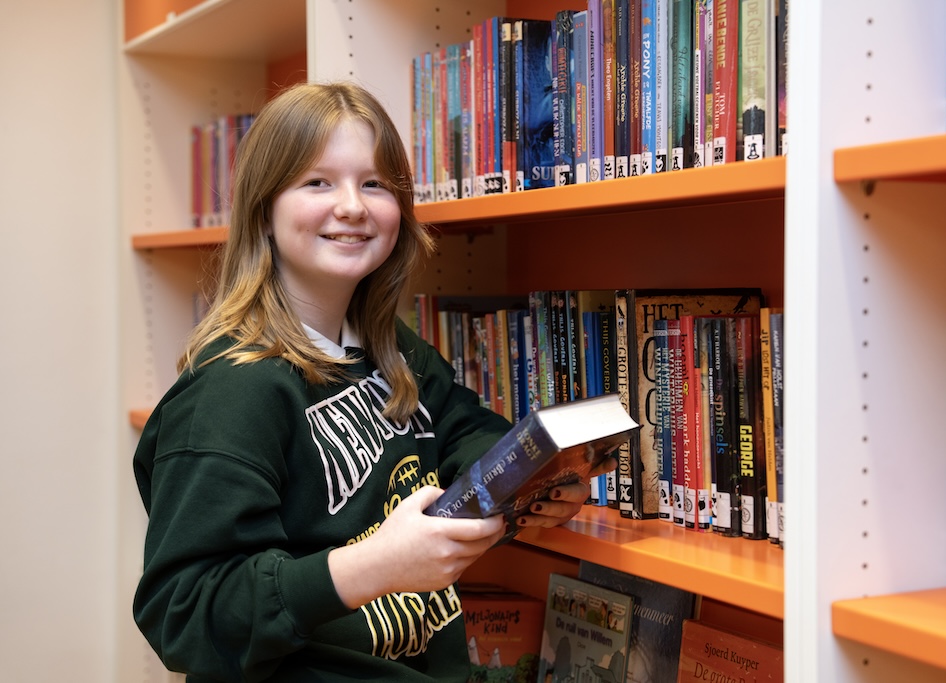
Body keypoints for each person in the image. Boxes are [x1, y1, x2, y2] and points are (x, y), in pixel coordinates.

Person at [133, 81, 611, 682]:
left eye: (375, 183)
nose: (353, 206)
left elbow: (464, 429)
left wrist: (535, 475)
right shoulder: (232, 392)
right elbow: (185, 615)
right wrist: (374, 566)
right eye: (317, 182)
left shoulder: (387, 348)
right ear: (265, 208)